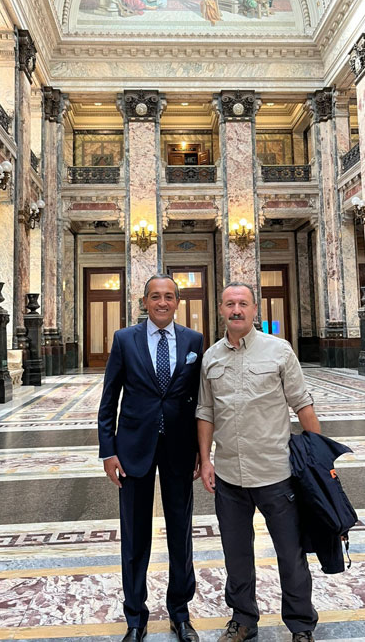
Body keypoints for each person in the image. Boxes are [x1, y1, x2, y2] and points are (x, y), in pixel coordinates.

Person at [196, 282, 320, 642]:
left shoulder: (279, 351)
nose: (236, 310)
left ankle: (301, 624)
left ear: (255, 309)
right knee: (236, 555)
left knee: (290, 555)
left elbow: (302, 404)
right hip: (229, 476)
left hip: (275, 473)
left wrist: (319, 460)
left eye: (243, 303)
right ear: (221, 309)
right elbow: (205, 411)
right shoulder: (211, 357)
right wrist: (205, 460)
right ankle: (243, 619)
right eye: (230, 304)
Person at [98, 274, 204, 642]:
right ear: (144, 302)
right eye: (155, 296)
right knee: (135, 534)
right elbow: (109, 400)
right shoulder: (124, 339)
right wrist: (108, 450)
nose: (162, 302)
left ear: (178, 302)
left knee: (181, 533)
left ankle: (180, 613)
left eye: (169, 296)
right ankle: (135, 617)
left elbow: (199, 401)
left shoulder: (194, 341)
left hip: (179, 449)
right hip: (132, 449)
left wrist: (201, 451)